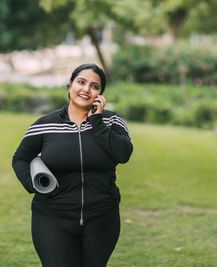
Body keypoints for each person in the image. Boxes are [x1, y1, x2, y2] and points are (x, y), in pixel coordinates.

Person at [12, 63, 133, 267]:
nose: (86, 89)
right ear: (70, 85)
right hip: (52, 218)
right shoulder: (45, 125)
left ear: (100, 94)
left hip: (102, 217)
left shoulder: (112, 121)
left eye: (94, 86)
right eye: (81, 82)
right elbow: (20, 159)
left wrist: (97, 122)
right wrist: (33, 185)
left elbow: (123, 154)